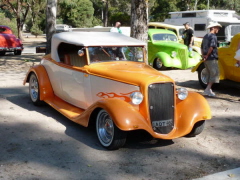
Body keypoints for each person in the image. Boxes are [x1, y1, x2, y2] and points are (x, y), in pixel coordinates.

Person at [201, 22, 222, 97]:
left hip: (206, 58)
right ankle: (208, 89)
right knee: (215, 73)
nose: (218, 29)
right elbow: (212, 47)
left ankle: (209, 89)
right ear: (213, 28)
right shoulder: (213, 36)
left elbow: (202, 47)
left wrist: (203, 55)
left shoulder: (206, 36)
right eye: (217, 28)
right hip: (212, 57)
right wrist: (207, 55)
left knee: (209, 73)